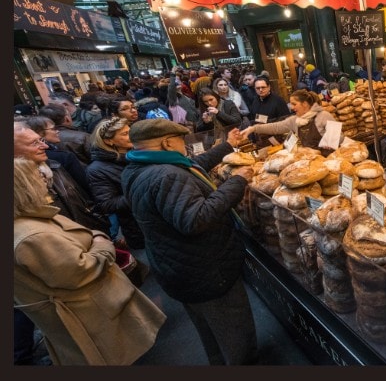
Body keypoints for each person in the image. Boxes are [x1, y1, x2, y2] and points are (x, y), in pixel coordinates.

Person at [121, 119, 257, 365]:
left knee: (209, 330)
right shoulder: (166, 175)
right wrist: (237, 182)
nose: (184, 146)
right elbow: (196, 219)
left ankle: (220, 362)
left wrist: (227, 145)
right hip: (206, 270)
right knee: (234, 330)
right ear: (167, 142)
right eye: (181, 141)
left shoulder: (137, 167)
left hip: (176, 267)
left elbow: (192, 169)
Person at [13, 157, 166, 365]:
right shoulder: (31, 235)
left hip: (90, 312)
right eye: (35, 176)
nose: (44, 179)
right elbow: (80, 272)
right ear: (23, 187)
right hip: (89, 315)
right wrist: (101, 241)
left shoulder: (29, 219)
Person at [86, 117, 146, 250]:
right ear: (108, 141)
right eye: (125, 134)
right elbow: (107, 204)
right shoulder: (96, 170)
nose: (131, 135)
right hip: (138, 226)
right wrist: (142, 193)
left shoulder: (138, 153)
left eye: (130, 131)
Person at [241, 89, 337, 152]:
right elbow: (276, 127)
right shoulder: (295, 120)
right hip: (311, 159)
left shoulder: (324, 116)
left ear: (304, 104)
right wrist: (253, 128)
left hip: (329, 158)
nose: (291, 107)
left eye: (294, 104)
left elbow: (338, 135)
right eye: (291, 104)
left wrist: (330, 141)